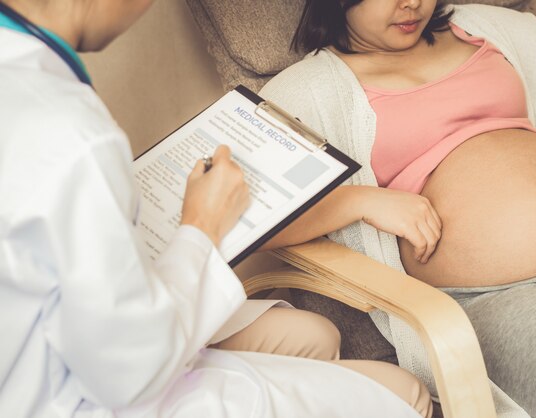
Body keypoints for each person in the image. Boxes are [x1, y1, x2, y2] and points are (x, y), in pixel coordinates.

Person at [0, 0, 435, 417]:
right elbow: (124, 371)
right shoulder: (71, 135)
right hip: (88, 389)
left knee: (313, 334)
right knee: (406, 397)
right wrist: (202, 224)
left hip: (66, 341)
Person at [258, 0, 536, 417]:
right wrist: (357, 201)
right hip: (504, 302)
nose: (411, 3)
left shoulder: (481, 27)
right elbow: (239, 216)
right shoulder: (310, 88)